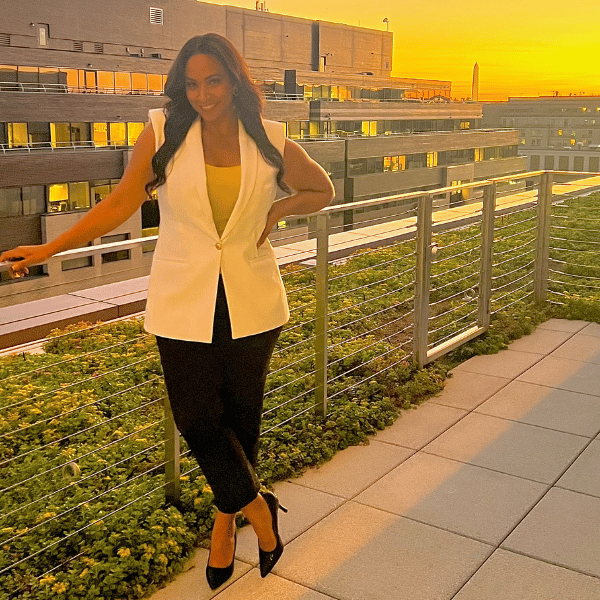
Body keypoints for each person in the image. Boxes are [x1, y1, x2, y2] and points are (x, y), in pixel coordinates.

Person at [0, 33, 334, 589]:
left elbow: (320, 189)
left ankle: (225, 528)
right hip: (183, 299)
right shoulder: (163, 132)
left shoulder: (271, 139)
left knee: (239, 426)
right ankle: (261, 512)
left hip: (253, 301)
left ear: (235, 80)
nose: (202, 94)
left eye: (214, 81)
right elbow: (120, 202)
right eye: (192, 83)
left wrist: (277, 208)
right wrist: (48, 249)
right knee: (198, 420)